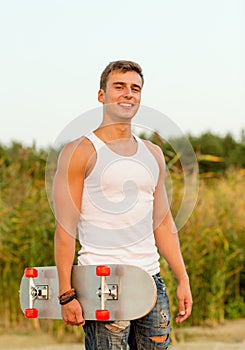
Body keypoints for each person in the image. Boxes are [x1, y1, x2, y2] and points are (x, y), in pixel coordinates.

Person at [53, 60, 192, 349]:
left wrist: (182, 277)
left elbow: (163, 223)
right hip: (102, 283)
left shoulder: (152, 154)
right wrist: (66, 293)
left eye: (135, 88)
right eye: (119, 87)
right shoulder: (80, 151)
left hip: (151, 281)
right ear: (101, 95)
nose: (128, 93)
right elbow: (65, 229)